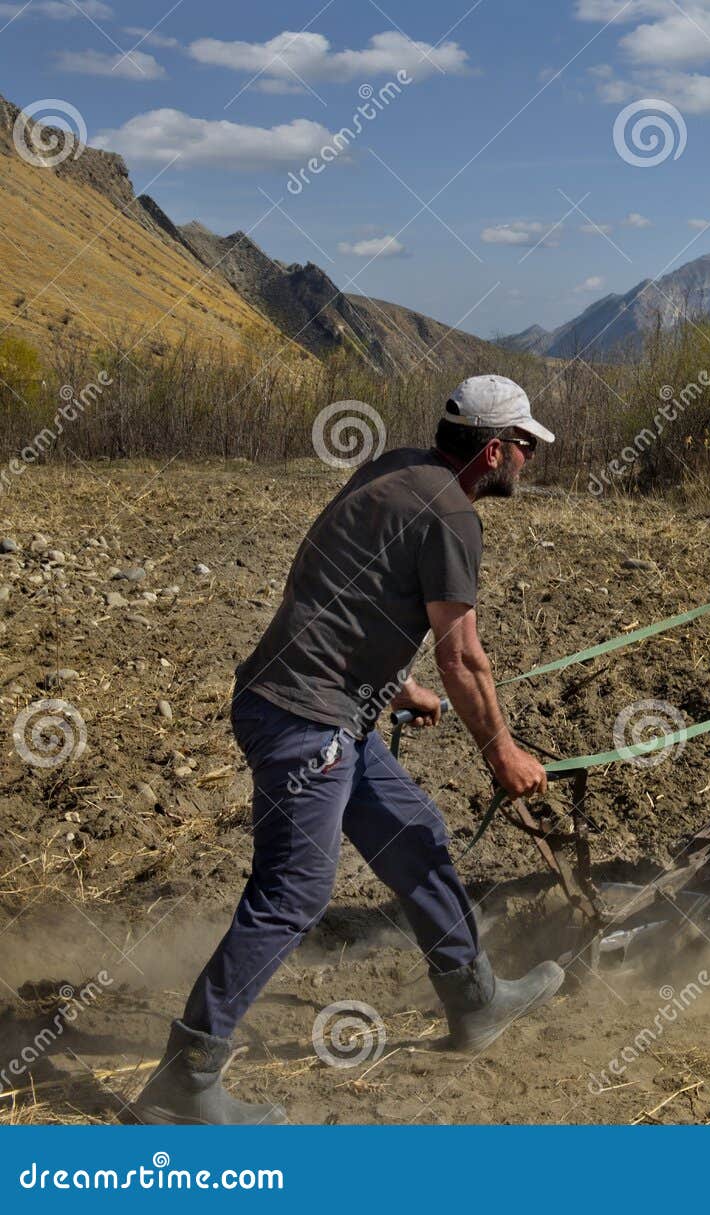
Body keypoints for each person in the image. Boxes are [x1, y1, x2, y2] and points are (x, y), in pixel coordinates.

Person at [133, 375, 560, 1125]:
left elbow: (337, 586)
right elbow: (464, 657)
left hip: (320, 701)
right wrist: (504, 753)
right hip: (306, 719)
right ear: (493, 449)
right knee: (294, 892)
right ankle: (184, 1079)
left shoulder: (392, 469)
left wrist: (393, 684)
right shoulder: (453, 516)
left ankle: (475, 1000)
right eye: (524, 445)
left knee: (414, 834)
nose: (528, 459)